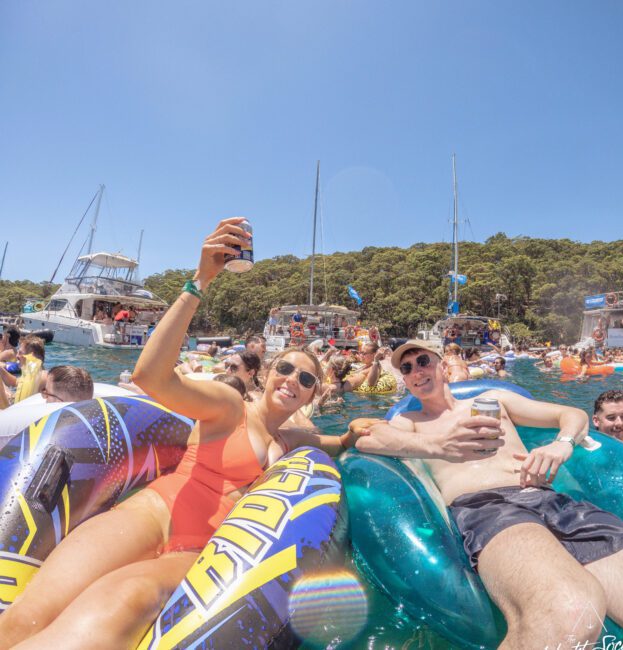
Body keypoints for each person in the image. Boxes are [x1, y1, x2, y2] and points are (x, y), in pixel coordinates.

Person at [0, 217, 368, 649]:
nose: (292, 380)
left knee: (119, 601)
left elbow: (334, 443)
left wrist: (350, 436)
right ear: (268, 372)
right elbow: (152, 376)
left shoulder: (292, 444)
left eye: (306, 380)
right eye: (285, 368)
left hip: (198, 551)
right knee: (30, 614)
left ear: (311, 396)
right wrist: (200, 280)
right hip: (155, 514)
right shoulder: (229, 406)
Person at [348, 340, 623, 648]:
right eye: (407, 368)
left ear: (442, 364)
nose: (416, 371)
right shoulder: (410, 421)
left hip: (552, 501)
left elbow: (572, 414)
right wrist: (439, 445)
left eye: (422, 361)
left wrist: (562, 444)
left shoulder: (494, 399)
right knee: (570, 611)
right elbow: (369, 441)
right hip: (488, 509)